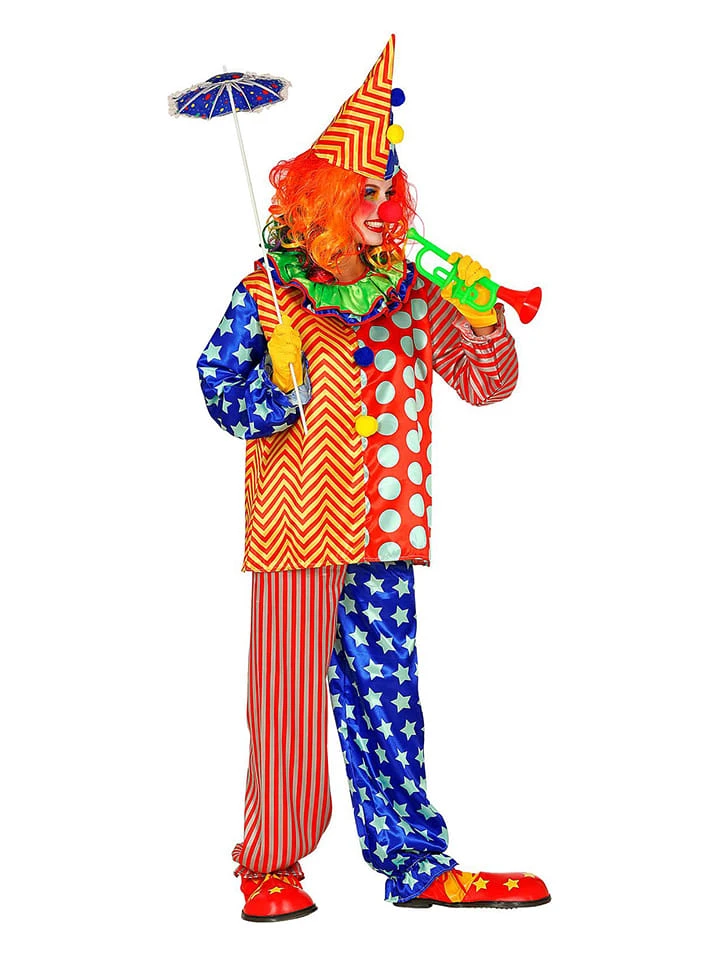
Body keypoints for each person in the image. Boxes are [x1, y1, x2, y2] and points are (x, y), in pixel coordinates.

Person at [197, 36, 550, 922]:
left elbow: (488, 386)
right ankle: (271, 863)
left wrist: (483, 322)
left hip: (386, 531)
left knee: (390, 700)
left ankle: (414, 859)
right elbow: (215, 384)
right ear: (321, 202)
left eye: (391, 189)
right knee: (284, 705)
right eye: (368, 191)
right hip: (295, 532)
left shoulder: (413, 293)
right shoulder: (268, 294)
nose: (385, 206)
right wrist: (277, 394)